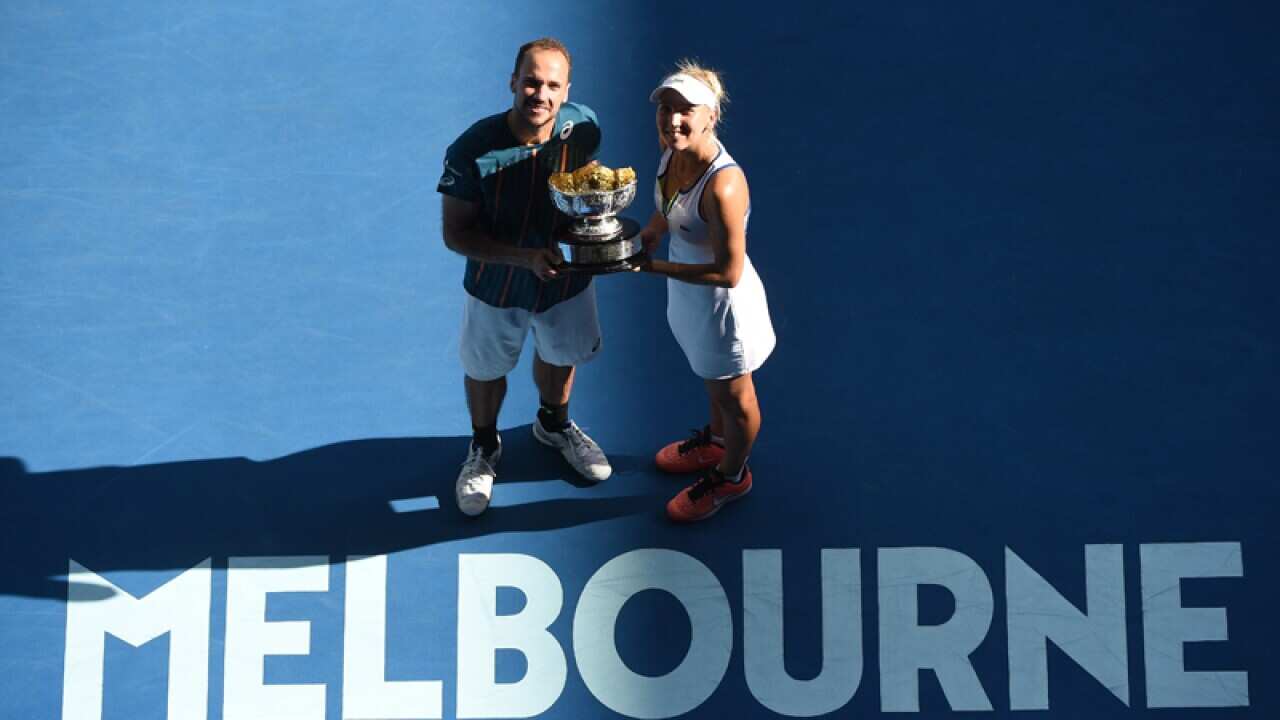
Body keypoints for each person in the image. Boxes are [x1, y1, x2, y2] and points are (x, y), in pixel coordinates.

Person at [438, 37, 611, 517]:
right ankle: (484, 447)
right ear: (513, 82)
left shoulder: (583, 126)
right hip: (498, 285)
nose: (541, 94)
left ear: (566, 89)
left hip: (565, 276)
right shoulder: (473, 149)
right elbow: (455, 234)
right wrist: (522, 258)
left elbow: (586, 173)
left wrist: (597, 216)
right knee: (486, 370)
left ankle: (553, 426)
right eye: (531, 82)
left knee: (563, 355)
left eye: (553, 85)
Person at [636, 61, 775, 523]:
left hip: (722, 307)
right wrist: (652, 233)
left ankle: (733, 476)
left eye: (685, 111)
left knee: (735, 397)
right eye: (666, 109)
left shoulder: (725, 185)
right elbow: (668, 207)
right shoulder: (671, 152)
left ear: (710, 116)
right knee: (711, 382)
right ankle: (715, 445)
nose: (672, 119)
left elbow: (729, 272)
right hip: (689, 295)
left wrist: (655, 267)